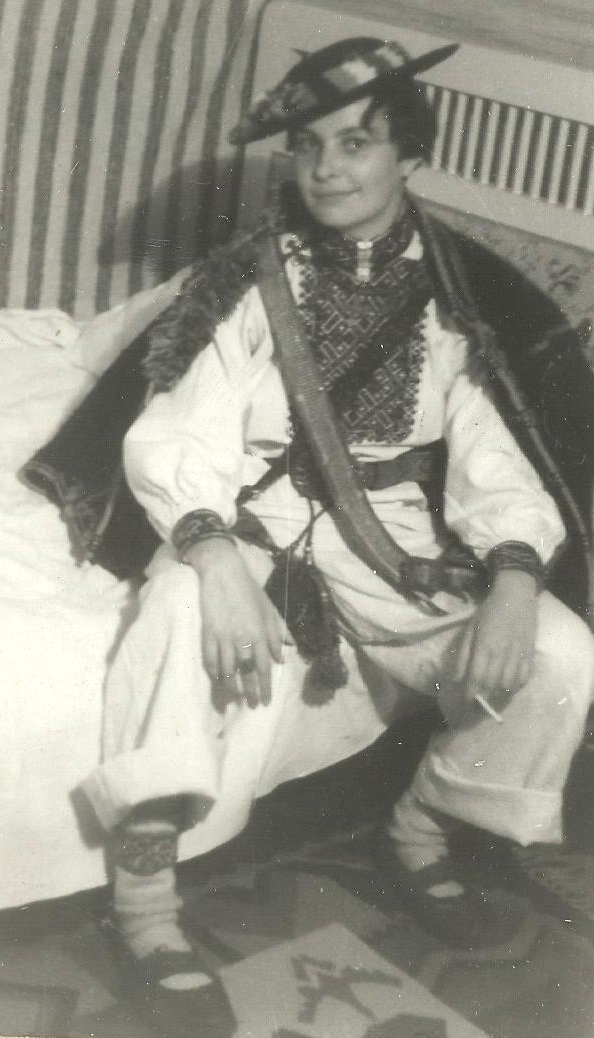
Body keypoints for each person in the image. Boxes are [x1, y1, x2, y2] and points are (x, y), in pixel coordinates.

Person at [39, 37, 594, 1037]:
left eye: (355, 143)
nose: (327, 168)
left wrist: (515, 579)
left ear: (409, 156)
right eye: (308, 146)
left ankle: (416, 830)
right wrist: (212, 560)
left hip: (393, 539)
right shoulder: (251, 281)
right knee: (174, 612)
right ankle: (146, 909)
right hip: (251, 521)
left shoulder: (456, 293)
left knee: (563, 652)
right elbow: (177, 432)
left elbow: (492, 449)